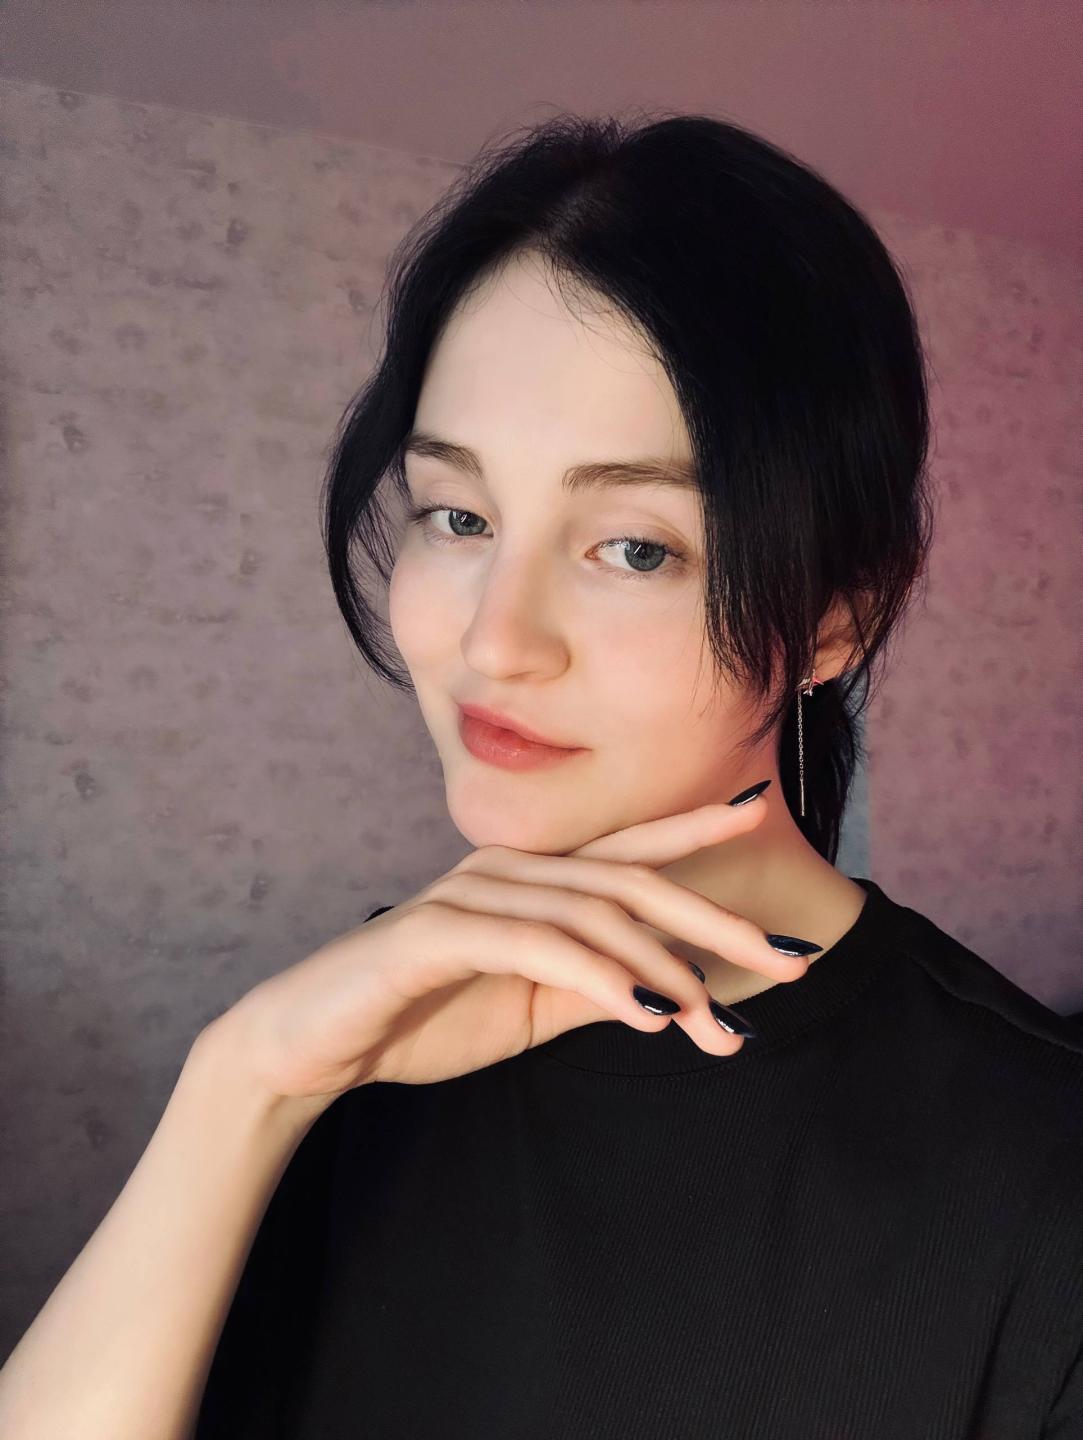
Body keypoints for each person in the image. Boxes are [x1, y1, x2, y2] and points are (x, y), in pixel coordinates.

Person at [1, 111, 1080, 1440]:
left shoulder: (1039, 1175)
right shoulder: (355, 1038)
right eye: (458, 517)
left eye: (635, 548)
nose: (496, 643)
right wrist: (245, 1091)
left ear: (836, 619)